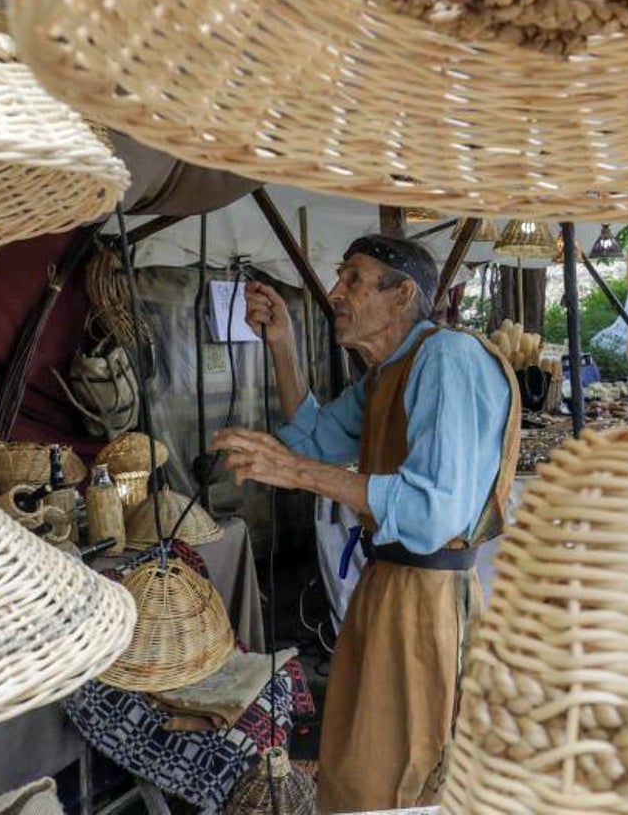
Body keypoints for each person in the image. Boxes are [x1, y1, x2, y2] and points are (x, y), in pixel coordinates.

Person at [212, 235, 520, 812]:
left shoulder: (447, 358)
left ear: (402, 293)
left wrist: (296, 472)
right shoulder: (388, 373)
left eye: (353, 278)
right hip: (387, 591)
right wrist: (282, 342)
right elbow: (315, 441)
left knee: (402, 780)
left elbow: (433, 512)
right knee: (356, 768)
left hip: (426, 601)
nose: (335, 293)